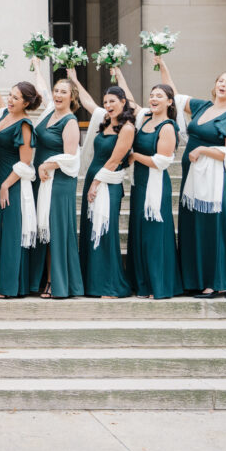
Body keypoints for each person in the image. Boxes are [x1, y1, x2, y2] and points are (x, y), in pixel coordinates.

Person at [158, 57, 226, 298]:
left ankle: (216, 281)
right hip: (192, 179)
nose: (223, 84)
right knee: (191, 226)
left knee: (211, 228)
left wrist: (204, 150)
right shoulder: (202, 106)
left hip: (212, 181)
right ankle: (193, 279)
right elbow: (174, 95)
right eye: (220, 80)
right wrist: (163, 66)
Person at [70, 69, 134, 298]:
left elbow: (116, 159)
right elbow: (88, 102)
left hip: (108, 182)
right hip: (94, 179)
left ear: (123, 102)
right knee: (89, 230)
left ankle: (109, 285)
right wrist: (75, 79)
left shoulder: (127, 128)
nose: (108, 105)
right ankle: (90, 283)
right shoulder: (103, 121)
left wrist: (97, 183)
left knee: (105, 230)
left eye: (113, 101)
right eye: (106, 101)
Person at [28, 60, 83, 298]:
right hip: (42, 179)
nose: (58, 95)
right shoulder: (50, 110)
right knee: (44, 230)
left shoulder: (69, 121)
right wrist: (38, 68)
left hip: (59, 182)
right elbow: (41, 87)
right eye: (57, 91)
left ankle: (56, 281)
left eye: (64, 92)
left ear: (72, 97)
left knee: (55, 231)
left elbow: (70, 156)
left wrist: (47, 164)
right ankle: (43, 278)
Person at [125, 83, 184, 299]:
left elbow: (162, 161)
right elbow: (129, 100)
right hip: (139, 184)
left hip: (155, 186)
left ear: (170, 101)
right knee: (140, 232)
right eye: (151, 95)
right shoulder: (144, 119)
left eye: (159, 95)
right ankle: (142, 284)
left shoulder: (168, 127)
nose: (154, 99)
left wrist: (134, 156)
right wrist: (116, 70)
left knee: (154, 235)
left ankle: (158, 285)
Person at [0, 73, 39, 298]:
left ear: (26, 103)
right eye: (10, 95)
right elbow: (1, 106)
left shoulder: (25, 125)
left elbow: (25, 161)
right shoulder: (5, 114)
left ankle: (10, 286)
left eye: (16, 98)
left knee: (10, 233)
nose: (10, 100)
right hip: (0, 179)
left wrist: (6, 185)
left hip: (13, 182)